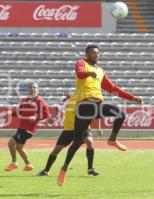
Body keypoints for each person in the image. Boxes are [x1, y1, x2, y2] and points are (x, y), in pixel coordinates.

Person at [57, 45, 143, 186]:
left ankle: (112, 140)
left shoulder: (100, 71)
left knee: (120, 114)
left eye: (98, 53)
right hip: (84, 106)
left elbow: (113, 88)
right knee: (77, 142)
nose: (97, 55)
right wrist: (88, 74)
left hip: (96, 105)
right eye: (94, 53)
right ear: (87, 54)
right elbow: (79, 73)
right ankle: (64, 169)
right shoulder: (81, 63)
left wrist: (132, 98)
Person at [36, 94, 101, 177]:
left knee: (89, 141)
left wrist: (98, 128)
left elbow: (97, 113)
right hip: (69, 129)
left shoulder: (90, 98)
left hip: (83, 128)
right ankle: (46, 170)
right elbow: (58, 108)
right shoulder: (70, 97)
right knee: (56, 150)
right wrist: (52, 117)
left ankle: (90, 169)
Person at [4, 83, 50, 172]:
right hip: (22, 127)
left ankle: (14, 163)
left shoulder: (40, 101)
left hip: (29, 129)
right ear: (28, 89)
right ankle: (28, 164)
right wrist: (11, 113)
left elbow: (46, 114)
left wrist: (35, 117)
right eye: (30, 87)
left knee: (11, 143)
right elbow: (19, 112)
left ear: (37, 89)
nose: (32, 89)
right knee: (19, 147)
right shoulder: (24, 100)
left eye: (34, 87)